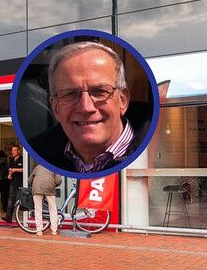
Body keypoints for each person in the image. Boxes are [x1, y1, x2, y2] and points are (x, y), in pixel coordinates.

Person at [31, 41, 143, 174]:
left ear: (122, 100)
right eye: (70, 94)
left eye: (99, 91)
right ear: (55, 108)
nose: (86, 107)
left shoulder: (148, 156)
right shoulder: (42, 155)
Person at [29, 163, 62, 236]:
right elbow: (58, 180)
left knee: (38, 209)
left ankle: (39, 230)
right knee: (53, 209)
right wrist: (54, 185)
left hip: (37, 188)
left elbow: (30, 179)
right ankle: (54, 230)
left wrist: (33, 185)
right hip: (49, 188)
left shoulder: (38, 167)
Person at [3, 145, 23, 222]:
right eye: (12, 150)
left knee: (22, 199)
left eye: (15, 150)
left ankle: (25, 218)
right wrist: (9, 175)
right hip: (13, 182)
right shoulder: (11, 159)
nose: (13, 152)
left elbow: (25, 169)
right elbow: (10, 169)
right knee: (11, 199)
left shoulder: (22, 159)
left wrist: (15, 170)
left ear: (19, 151)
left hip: (21, 182)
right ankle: (8, 217)